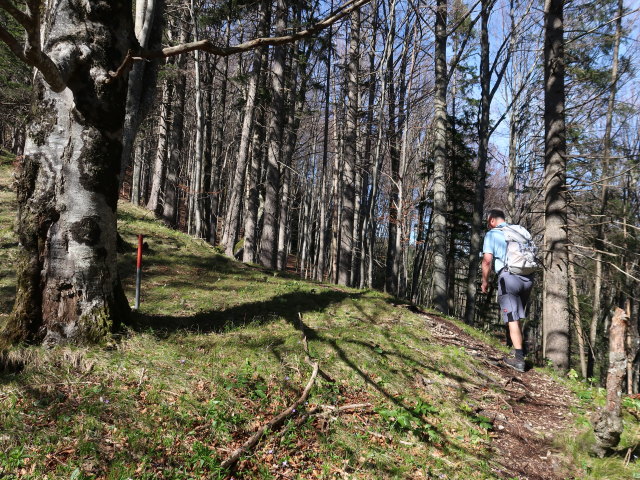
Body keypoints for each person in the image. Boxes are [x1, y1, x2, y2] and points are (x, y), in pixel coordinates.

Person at [481, 209, 534, 372]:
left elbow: (487, 261)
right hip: (527, 278)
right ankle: (518, 350)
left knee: (511, 317)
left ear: (491, 221)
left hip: (508, 278)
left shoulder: (492, 234)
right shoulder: (518, 231)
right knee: (516, 315)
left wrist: (485, 281)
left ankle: (518, 359)